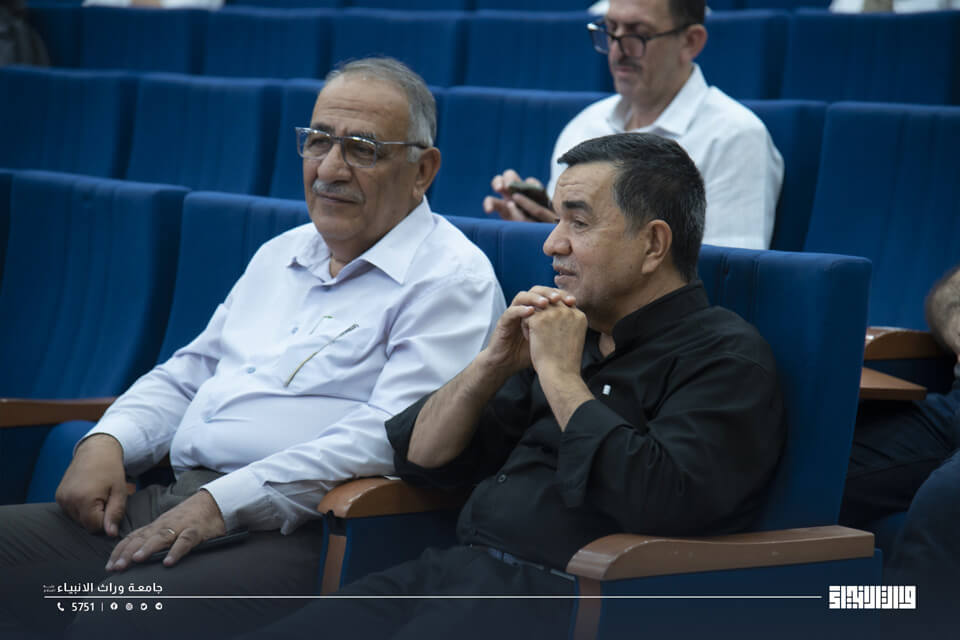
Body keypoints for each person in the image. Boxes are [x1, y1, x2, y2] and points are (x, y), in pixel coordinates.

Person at [0, 57, 505, 637]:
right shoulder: (282, 252)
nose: (329, 168)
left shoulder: (450, 280)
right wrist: (107, 441)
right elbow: (190, 373)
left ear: (423, 170)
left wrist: (223, 502)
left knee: (110, 618)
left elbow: (387, 436)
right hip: (173, 500)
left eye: (362, 148)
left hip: (299, 531)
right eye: (319, 141)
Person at [251, 132, 786, 640]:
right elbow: (423, 454)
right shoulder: (568, 335)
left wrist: (560, 378)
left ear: (653, 244)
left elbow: (663, 501)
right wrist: (492, 364)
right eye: (556, 221)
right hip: (452, 573)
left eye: (578, 223)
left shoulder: (725, 358)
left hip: (568, 601)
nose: (552, 243)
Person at [483, 0, 784, 251]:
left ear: (690, 42)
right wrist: (546, 224)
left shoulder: (734, 136)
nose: (618, 48)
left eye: (638, 34)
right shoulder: (585, 125)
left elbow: (727, 271)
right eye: (611, 29)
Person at [840, 263, 960, 619]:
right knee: (815, 471)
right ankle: (811, 606)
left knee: (945, 498)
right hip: (952, 404)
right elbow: (945, 296)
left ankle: (898, 620)